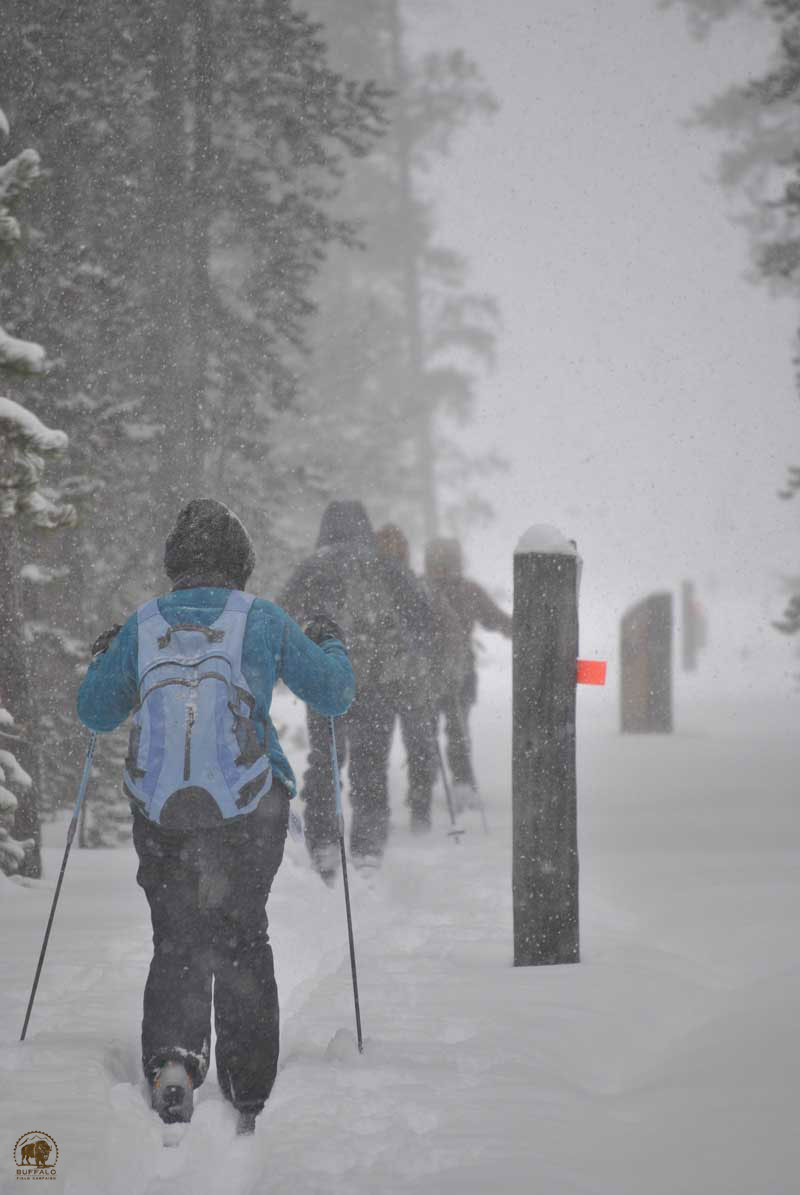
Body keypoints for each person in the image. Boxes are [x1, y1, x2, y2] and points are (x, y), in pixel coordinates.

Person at [77, 499, 354, 1136]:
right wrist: (331, 641)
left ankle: (173, 1062)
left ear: (176, 562)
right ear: (241, 561)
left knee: (176, 934)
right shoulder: (263, 619)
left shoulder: (145, 624)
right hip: (250, 807)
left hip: (161, 809)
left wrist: (106, 657)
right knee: (241, 934)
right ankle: (249, 1085)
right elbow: (336, 693)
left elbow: (94, 712)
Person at [279, 501, 427, 874]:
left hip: (326, 677)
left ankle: (324, 842)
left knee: (325, 759)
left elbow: (282, 617)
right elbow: (421, 612)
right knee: (370, 762)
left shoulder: (312, 566)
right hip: (380, 680)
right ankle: (368, 848)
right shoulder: (386, 565)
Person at [374, 524, 451, 832]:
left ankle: (376, 812)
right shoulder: (418, 584)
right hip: (412, 674)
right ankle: (420, 810)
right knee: (419, 743)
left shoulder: (370, 581)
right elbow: (438, 625)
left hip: (377, 676)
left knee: (374, 747)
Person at [424, 537, 512, 807]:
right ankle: (458, 783)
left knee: (428, 732)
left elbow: (495, 619)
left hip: (425, 674)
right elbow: (496, 620)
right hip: (456, 671)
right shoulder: (467, 590)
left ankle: (424, 788)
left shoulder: (419, 587)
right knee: (455, 730)